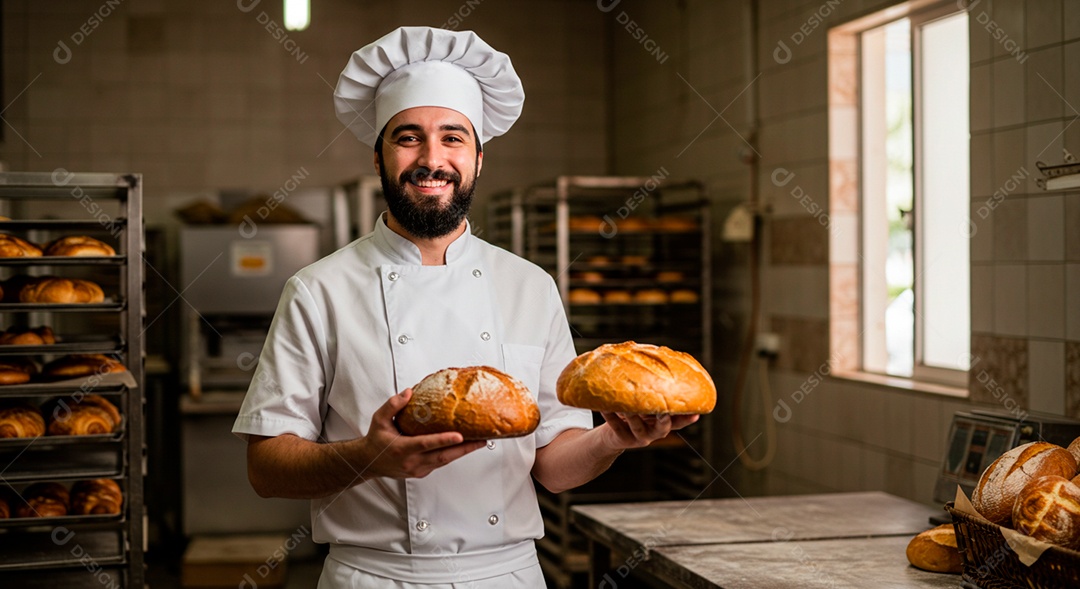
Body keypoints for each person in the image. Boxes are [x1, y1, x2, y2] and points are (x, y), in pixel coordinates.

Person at [232, 26, 700, 589]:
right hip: (375, 577)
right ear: (378, 157)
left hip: (507, 575)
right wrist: (368, 457)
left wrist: (613, 439)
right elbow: (266, 469)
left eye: (453, 138)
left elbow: (553, 467)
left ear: (478, 157)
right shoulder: (318, 289)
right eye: (408, 137)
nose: (432, 159)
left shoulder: (530, 286)